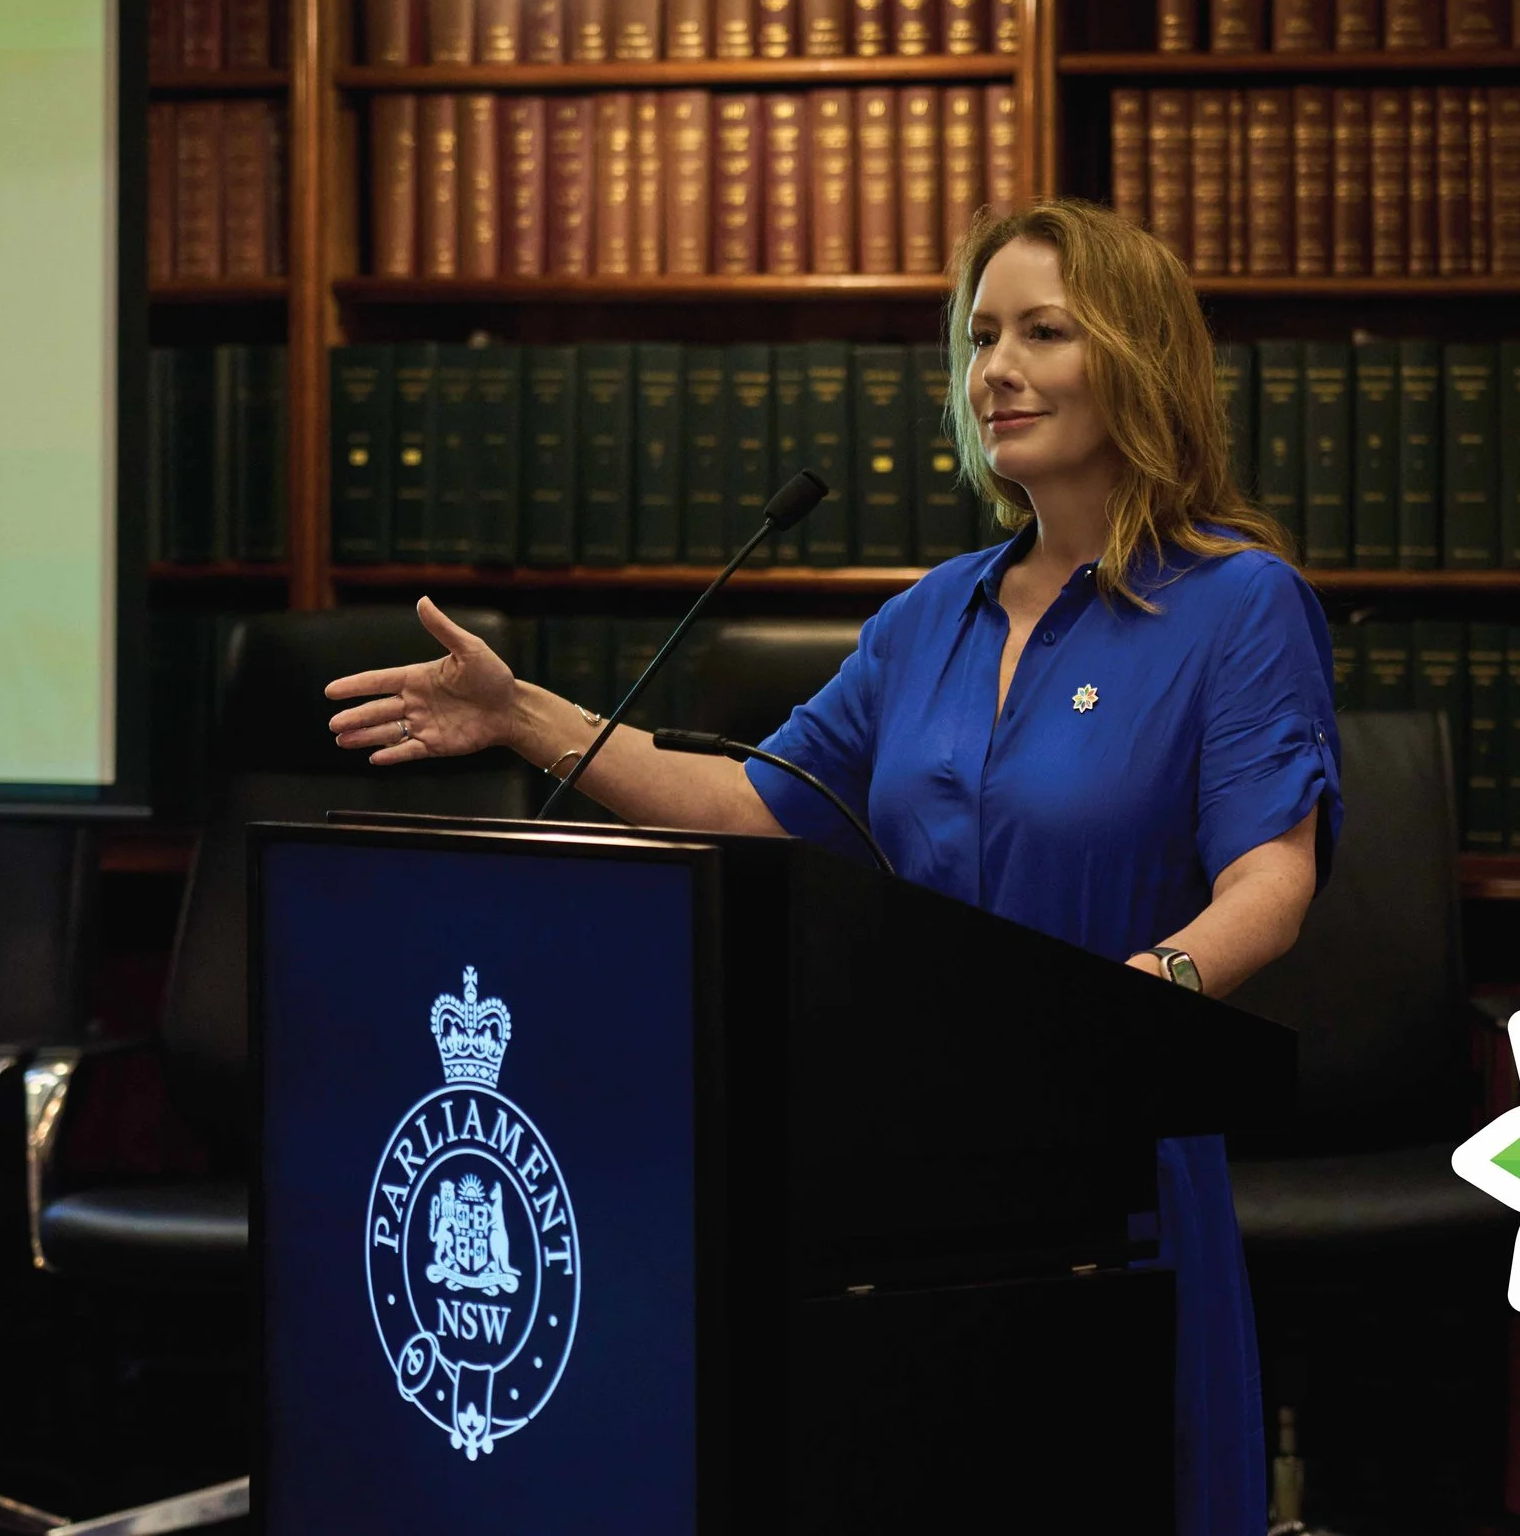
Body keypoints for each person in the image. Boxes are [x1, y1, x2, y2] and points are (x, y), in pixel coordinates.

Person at [326, 195, 1344, 1535]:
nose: (997, 369)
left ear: (1138, 358)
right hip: (907, 1153)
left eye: (1045, 330)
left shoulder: (1237, 602)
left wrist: (1134, 1002)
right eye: (981, 336)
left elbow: (1272, 877)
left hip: (1112, 1145)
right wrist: (531, 718)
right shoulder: (931, 615)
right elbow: (754, 804)